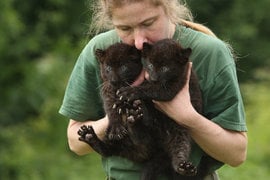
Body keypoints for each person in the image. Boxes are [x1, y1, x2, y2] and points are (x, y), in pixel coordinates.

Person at [59, 0, 248, 179]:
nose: (139, 42)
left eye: (149, 23)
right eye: (125, 28)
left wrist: (189, 117)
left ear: (168, 7)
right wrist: (117, 115)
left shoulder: (209, 52)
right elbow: (75, 142)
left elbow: (236, 154)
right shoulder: (103, 51)